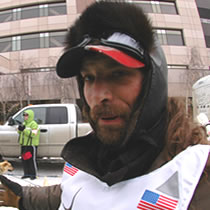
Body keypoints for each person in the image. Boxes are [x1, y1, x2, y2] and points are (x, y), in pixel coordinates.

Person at [0, 1, 210, 209]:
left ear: (152, 82)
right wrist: (22, 197)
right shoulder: (88, 157)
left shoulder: (196, 178)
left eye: (118, 74)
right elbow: (72, 194)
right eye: (89, 78)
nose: (99, 96)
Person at [18, 109, 40, 180]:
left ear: (30, 116)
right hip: (24, 145)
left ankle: (33, 174)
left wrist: (24, 130)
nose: (25, 117)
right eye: (24, 115)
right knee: (24, 159)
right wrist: (20, 129)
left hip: (31, 145)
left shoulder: (34, 124)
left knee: (31, 160)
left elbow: (33, 134)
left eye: (26, 115)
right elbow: (20, 132)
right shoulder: (24, 123)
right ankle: (26, 173)